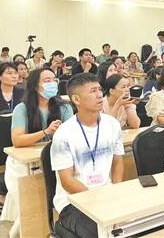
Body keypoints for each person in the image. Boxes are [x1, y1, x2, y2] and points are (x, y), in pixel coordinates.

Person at [51, 73, 124, 237]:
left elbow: (118, 162)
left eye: (99, 89)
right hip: (74, 202)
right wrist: (95, 199)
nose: (99, 95)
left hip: (107, 194)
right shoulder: (64, 133)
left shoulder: (112, 124)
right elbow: (67, 181)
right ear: (76, 99)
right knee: (101, 232)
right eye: (92, 91)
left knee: (137, 224)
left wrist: (117, 191)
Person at [3, 68, 73, 223]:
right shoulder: (22, 109)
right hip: (24, 163)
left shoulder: (65, 107)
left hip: (57, 156)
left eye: (54, 80)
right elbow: (17, 140)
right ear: (35, 86)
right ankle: (31, 222)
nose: (52, 83)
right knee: (32, 197)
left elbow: (72, 137)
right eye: (47, 81)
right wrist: (45, 132)